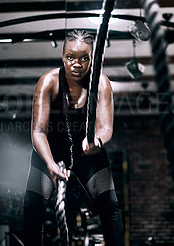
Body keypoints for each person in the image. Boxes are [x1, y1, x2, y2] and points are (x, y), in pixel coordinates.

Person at [22, 29, 124, 245]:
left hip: (87, 151)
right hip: (49, 150)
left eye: (84, 58)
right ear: (63, 57)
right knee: (33, 207)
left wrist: (97, 141)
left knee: (110, 205)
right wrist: (50, 163)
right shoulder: (48, 82)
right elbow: (38, 131)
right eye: (71, 57)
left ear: (91, 59)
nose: (77, 64)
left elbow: (105, 127)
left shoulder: (102, 83)